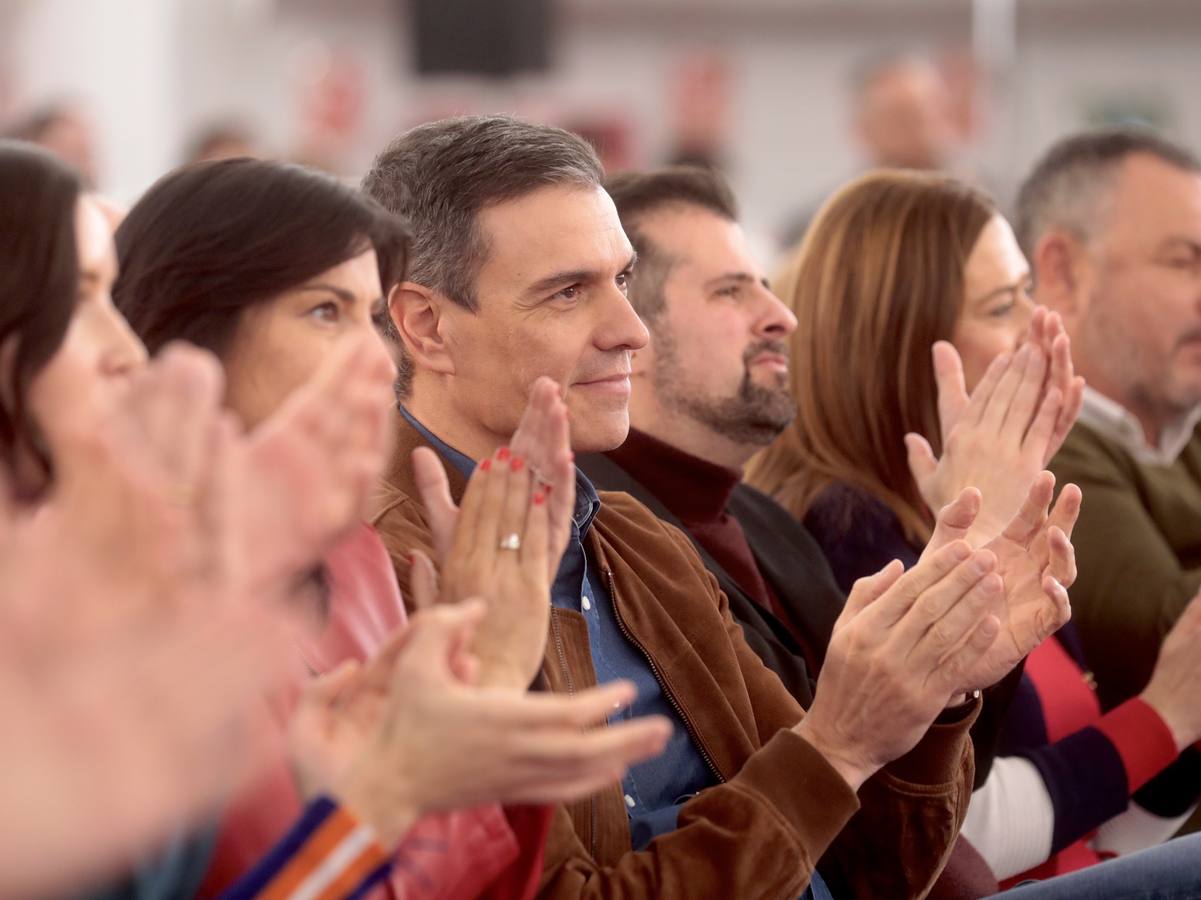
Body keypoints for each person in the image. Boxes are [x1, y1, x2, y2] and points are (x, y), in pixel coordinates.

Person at [361, 113, 1079, 899]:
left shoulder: (635, 539)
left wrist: (933, 692)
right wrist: (835, 745)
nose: (631, 331)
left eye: (623, 281)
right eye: (567, 293)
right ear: (425, 326)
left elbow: (871, 872)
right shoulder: (386, 576)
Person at [0, 142, 670, 899]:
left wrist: (481, 684)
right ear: (190, 331)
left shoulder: (350, 557)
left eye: (374, 317)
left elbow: (451, 879)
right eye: (325, 311)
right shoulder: (98, 591)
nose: (380, 362)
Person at [747, 168, 1201, 885]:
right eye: (1000, 307)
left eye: (1028, 291)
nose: (1039, 325)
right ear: (898, 346)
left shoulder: (975, 501)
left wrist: (1181, 724)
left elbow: (1100, 831)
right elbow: (959, 832)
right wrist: (1164, 715)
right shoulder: (845, 529)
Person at [1018, 128, 1201, 838]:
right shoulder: (1044, 445)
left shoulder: (1175, 421)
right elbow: (1166, 633)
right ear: (1062, 269)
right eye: (1182, 261)